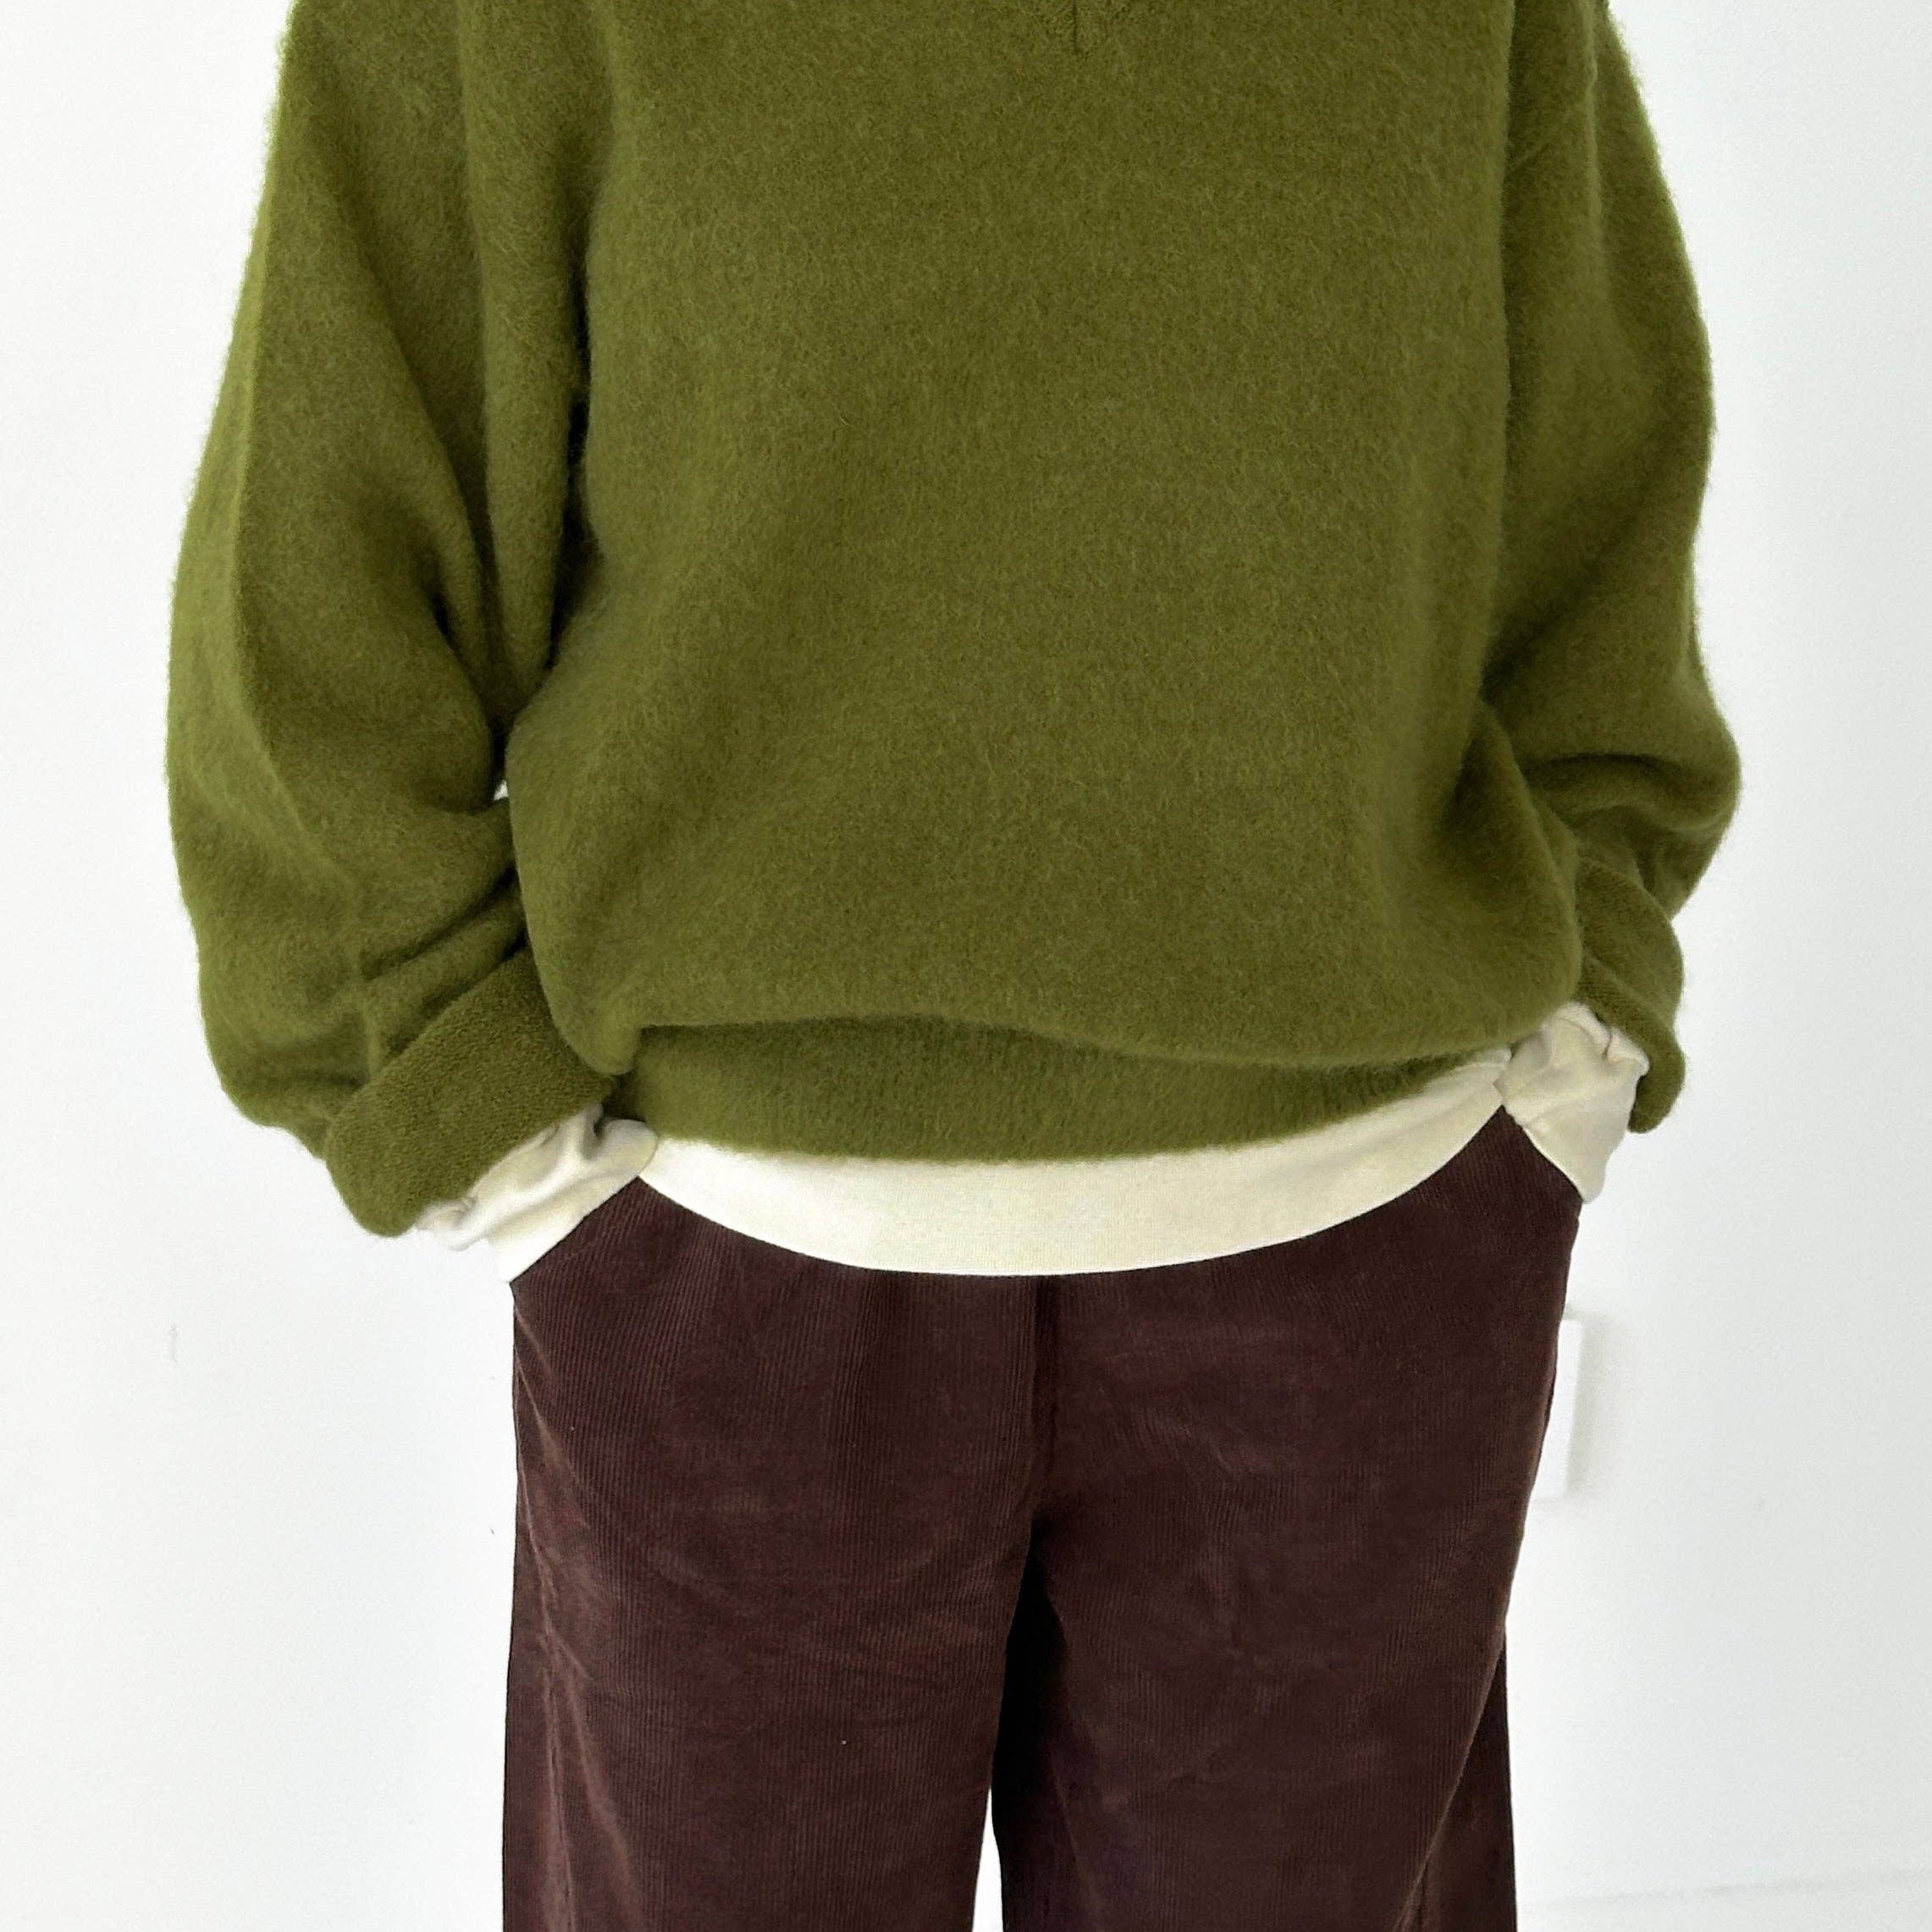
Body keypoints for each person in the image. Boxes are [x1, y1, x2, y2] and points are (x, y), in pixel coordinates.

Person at [165, 0, 1743, 1924]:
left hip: (1356, 1259)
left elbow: (1592, 516)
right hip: (733, 1281)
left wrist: (1570, 1056)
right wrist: (491, 1136)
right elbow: (320, 603)